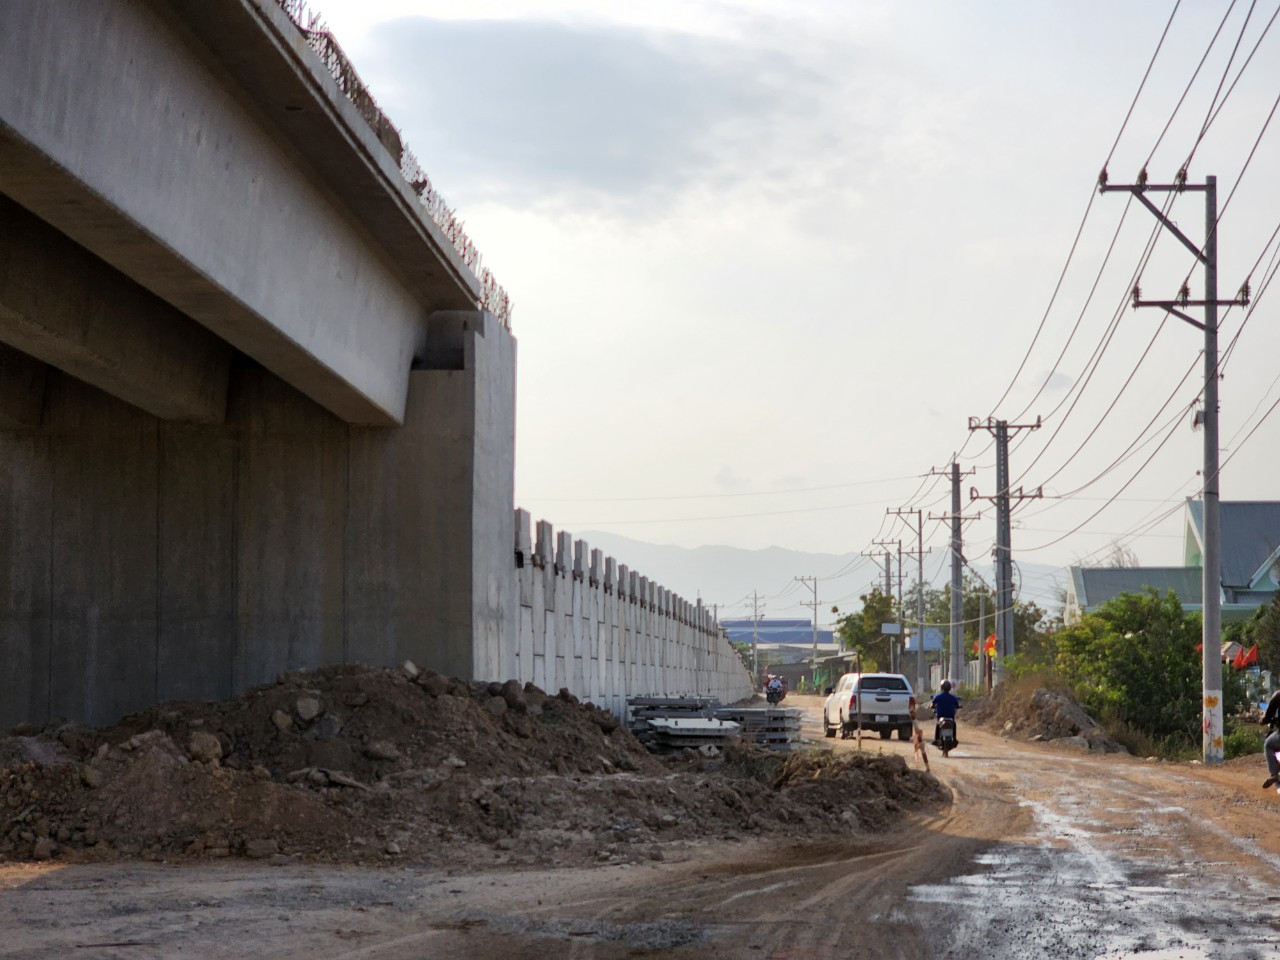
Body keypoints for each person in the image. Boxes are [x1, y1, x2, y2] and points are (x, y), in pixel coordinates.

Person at [930, 680, 961, 746]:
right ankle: (954, 739)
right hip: (950, 718)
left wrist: (932, 706)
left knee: (938, 725)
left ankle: (936, 739)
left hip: (941, 717)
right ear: (949, 688)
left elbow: (932, 705)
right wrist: (958, 706)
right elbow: (957, 705)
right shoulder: (953, 697)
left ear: (942, 688)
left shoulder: (938, 696)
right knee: (954, 725)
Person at [1262, 688, 1280, 790]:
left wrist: (1262, 721)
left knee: (1268, 744)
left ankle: (1274, 775)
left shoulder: (1278, 695)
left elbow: (1269, 713)